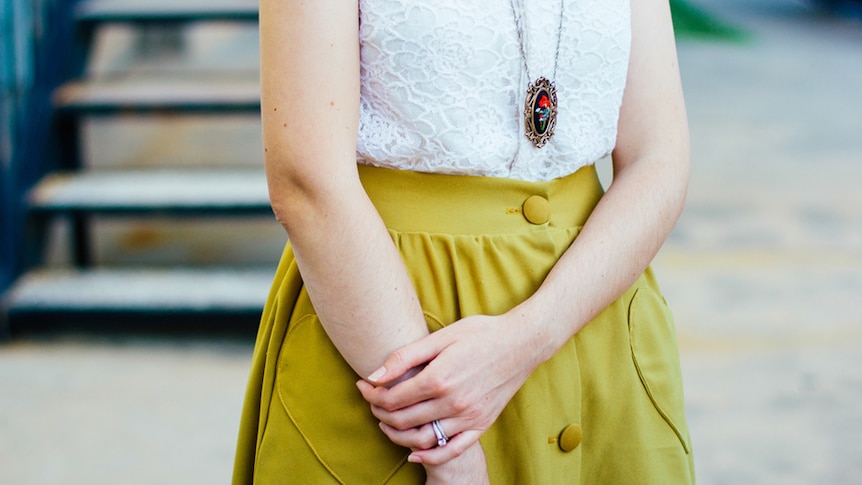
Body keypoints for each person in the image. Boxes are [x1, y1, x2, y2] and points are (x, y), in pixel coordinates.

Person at [233, 0, 695, 483]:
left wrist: (532, 336)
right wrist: (441, 439)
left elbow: (659, 157)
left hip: (596, 318)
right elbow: (307, 185)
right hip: (393, 339)